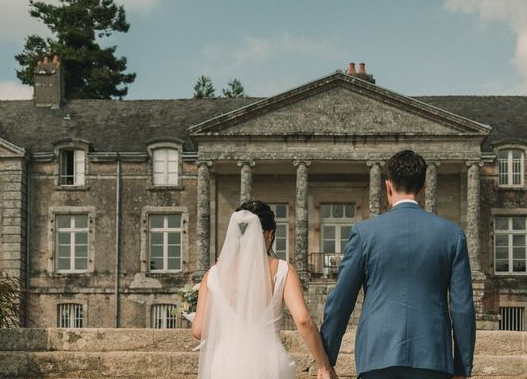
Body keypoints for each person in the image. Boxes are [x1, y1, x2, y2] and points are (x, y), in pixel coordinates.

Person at [320, 150, 476, 379]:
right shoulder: (452, 235)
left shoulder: (364, 234)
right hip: (432, 359)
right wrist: (462, 369)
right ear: (423, 188)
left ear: (388, 186)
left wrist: (326, 359)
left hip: (376, 357)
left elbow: (341, 302)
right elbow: (462, 307)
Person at [192, 200, 336, 379]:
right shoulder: (283, 269)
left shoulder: (212, 275)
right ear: (269, 234)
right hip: (269, 364)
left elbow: (198, 330)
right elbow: (303, 320)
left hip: (224, 364)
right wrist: (324, 365)